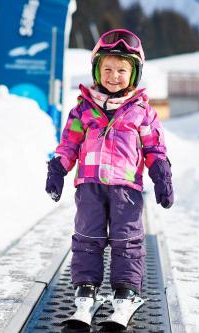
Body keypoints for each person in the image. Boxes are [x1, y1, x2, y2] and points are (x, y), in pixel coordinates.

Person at [45, 29, 173, 306]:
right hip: (89, 186)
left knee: (126, 239)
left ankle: (126, 288)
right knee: (87, 236)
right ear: (97, 70)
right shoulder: (83, 110)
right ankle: (85, 286)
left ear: (134, 74)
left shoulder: (142, 111)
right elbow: (68, 144)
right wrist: (58, 168)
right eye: (108, 69)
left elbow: (154, 147)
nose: (114, 76)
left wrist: (162, 175)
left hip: (126, 189)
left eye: (121, 70)